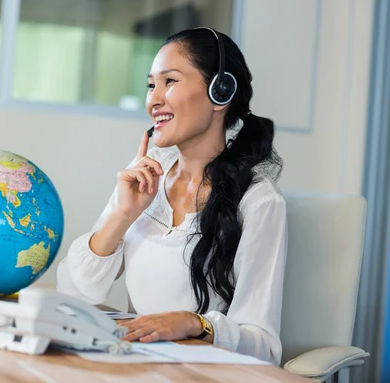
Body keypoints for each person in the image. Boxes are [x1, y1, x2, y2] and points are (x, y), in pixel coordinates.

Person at [55, 27, 287, 365]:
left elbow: (263, 346)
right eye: (151, 85)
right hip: (136, 365)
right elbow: (73, 294)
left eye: (170, 82)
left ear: (220, 92)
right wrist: (122, 215)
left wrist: (196, 324)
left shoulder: (259, 203)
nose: (153, 100)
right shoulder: (145, 176)